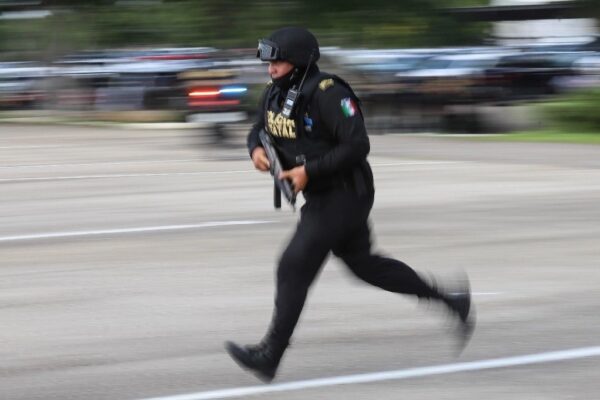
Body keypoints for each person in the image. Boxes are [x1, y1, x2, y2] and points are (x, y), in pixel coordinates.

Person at [225, 26, 474, 383]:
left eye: (277, 59)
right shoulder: (275, 94)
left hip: (344, 193)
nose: (270, 67)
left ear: (298, 59)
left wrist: (309, 171)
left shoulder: (329, 92)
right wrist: (256, 150)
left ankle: (270, 354)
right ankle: (451, 301)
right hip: (323, 195)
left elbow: (357, 145)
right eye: (269, 60)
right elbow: (259, 129)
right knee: (365, 266)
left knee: (294, 265)